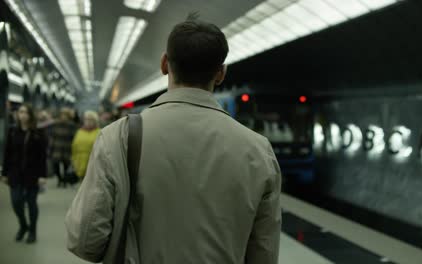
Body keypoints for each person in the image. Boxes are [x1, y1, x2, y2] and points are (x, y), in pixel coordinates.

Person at [66, 13, 281, 264]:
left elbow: (85, 242)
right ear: (221, 73)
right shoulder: (258, 150)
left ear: (165, 64)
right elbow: (263, 255)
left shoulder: (118, 138)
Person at [1, 104, 48, 243]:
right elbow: (7, 153)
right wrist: (4, 173)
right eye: (20, 112)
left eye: (25, 112)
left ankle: (32, 231)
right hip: (15, 173)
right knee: (16, 202)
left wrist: (42, 176)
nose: (22, 115)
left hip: (32, 174)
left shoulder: (38, 133)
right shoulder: (12, 131)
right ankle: (23, 225)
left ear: (30, 115)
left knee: (31, 203)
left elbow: (42, 156)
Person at [49, 108, 77, 187]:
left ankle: (64, 180)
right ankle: (60, 179)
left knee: (66, 166)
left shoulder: (71, 125)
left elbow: (74, 137)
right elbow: (52, 136)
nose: (63, 117)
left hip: (67, 148)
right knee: (55, 166)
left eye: (65, 115)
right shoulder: (55, 124)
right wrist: (50, 148)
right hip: (57, 148)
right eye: (62, 115)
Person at [71, 111, 100, 179]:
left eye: (91, 119)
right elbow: (74, 147)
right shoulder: (79, 132)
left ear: (95, 121)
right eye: (86, 119)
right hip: (80, 162)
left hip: (94, 163)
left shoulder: (99, 132)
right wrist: (74, 160)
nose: (88, 121)